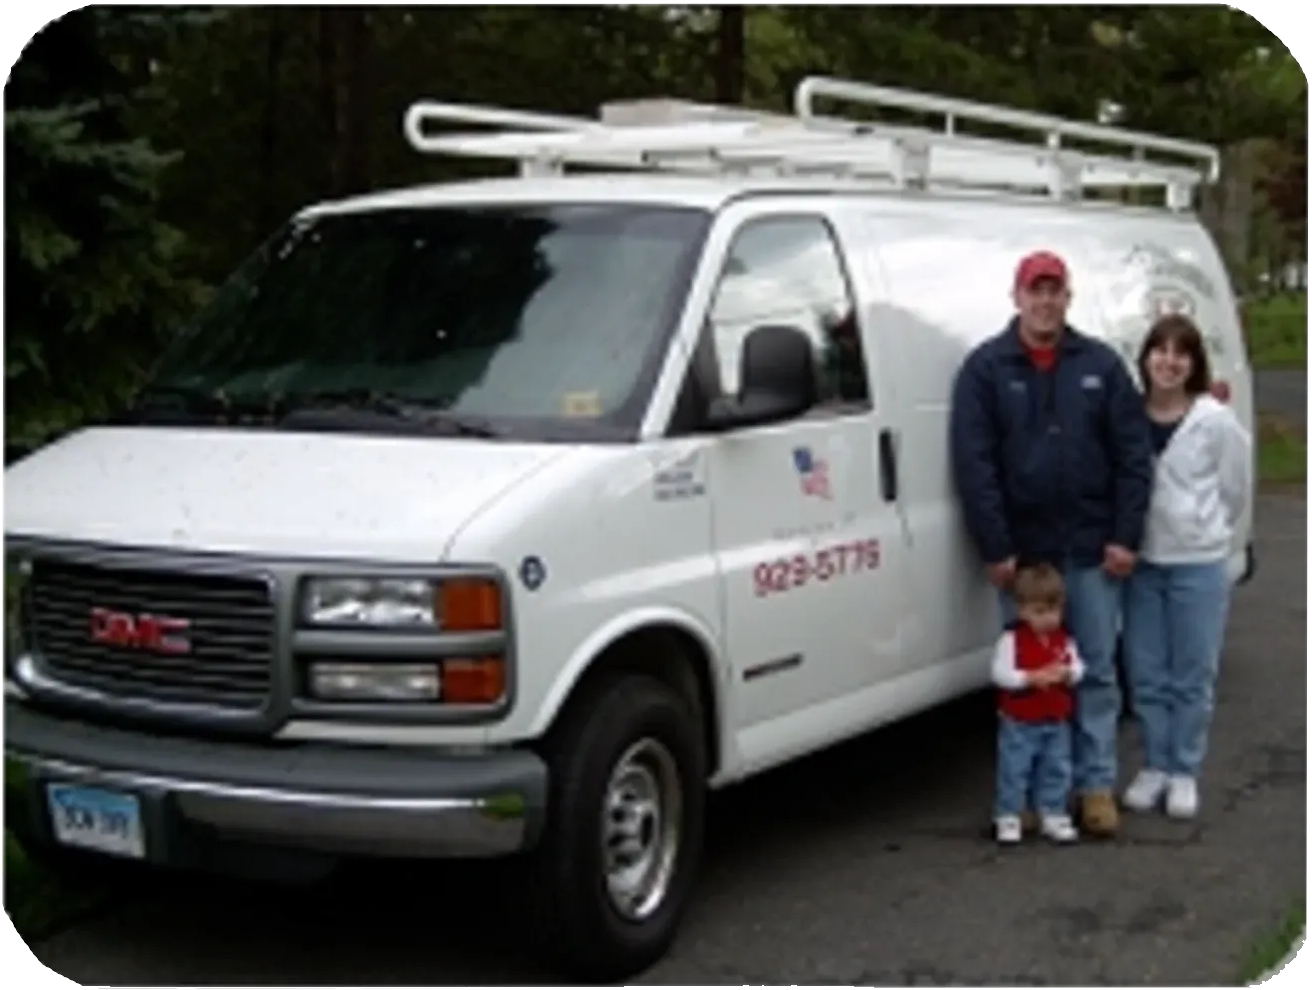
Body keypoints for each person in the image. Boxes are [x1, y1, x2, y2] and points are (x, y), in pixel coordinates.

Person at [949, 249, 1154, 838]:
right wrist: (995, 547)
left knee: (1092, 672)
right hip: (1026, 559)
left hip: (1091, 549)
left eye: (1055, 290)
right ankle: (1031, 794)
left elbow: (1132, 456)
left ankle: (1093, 787)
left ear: (1069, 297)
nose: (1045, 301)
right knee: (1025, 679)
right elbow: (975, 463)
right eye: (1034, 290)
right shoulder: (986, 370)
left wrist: (1125, 535)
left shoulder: (1101, 367)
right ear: (1016, 297)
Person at [1119, 314, 1252, 820]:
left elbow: (1234, 488)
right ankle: (1154, 764)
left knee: (1192, 673)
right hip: (1143, 561)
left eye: (1181, 353)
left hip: (1197, 562)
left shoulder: (1213, 419)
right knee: (1147, 672)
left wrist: (1204, 525)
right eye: (1160, 350)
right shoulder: (1129, 415)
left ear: (1193, 363)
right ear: (1147, 357)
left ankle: (1184, 770)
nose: (1169, 362)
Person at [991, 563, 1086, 845]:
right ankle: (1009, 813)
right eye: (1039, 612)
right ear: (1022, 610)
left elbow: (1079, 666)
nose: (1048, 619)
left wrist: (1069, 673)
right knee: (1015, 767)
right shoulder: (1011, 639)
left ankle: (1053, 812)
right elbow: (1000, 673)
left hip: (1055, 718)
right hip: (1020, 719)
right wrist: (1029, 678)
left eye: (1054, 611)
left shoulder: (1063, 640)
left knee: (1056, 767)